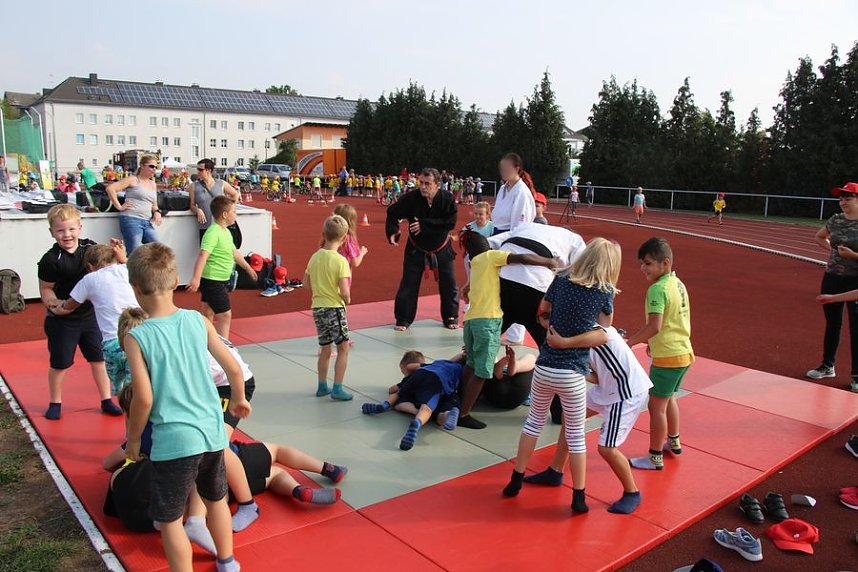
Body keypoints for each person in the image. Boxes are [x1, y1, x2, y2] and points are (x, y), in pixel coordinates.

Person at [123, 242, 251, 572]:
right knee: (216, 500)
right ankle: (227, 562)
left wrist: (133, 441)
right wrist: (239, 399)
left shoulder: (137, 337)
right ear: (176, 279)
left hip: (174, 443)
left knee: (169, 519)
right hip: (212, 433)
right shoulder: (198, 320)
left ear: (136, 288)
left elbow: (143, 398)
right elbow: (234, 368)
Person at [502, 238, 621, 514]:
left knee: (533, 424)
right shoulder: (603, 291)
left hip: (545, 367)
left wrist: (551, 324)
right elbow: (605, 330)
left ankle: (516, 479)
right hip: (573, 372)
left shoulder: (562, 279)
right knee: (576, 435)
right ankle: (578, 496)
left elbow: (542, 309)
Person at [524, 326, 652, 514]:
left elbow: (602, 336)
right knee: (569, 415)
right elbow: (598, 377)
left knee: (607, 448)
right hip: (608, 387)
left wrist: (564, 346)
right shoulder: (577, 333)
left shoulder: (593, 331)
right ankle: (555, 471)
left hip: (626, 392)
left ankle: (632, 492)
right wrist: (576, 368)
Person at [458, 231, 559, 429]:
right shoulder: (490, 257)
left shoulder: (474, 263)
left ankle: (460, 402)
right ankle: (464, 414)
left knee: (470, 364)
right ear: (487, 248)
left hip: (471, 321)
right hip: (488, 321)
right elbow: (523, 258)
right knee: (483, 371)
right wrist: (548, 262)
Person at [38, 205, 121, 420]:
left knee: (99, 359)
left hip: (90, 317)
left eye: (71, 229)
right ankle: (55, 402)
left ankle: (106, 400)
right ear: (52, 232)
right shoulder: (50, 260)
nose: (67, 235)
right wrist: (54, 304)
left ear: (80, 228)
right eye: (60, 230)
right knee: (60, 364)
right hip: (63, 321)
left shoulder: (89, 249)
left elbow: (109, 265)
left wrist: (117, 252)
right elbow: (46, 288)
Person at [626, 237, 693, 471]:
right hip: (683, 352)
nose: (643, 268)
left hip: (668, 358)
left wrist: (630, 343)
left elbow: (654, 325)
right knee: (669, 397)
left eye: (648, 263)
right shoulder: (677, 283)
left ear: (665, 264)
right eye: (642, 263)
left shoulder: (657, 289)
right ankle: (673, 441)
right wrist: (653, 343)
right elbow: (672, 320)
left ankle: (654, 456)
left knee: (656, 407)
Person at [52, 243, 140, 395]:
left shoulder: (89, 279)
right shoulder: (126, 269)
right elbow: (140, 269)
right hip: (138, 338)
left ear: (89, 266)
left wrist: (60, 306)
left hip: (112, 342)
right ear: (115, 259)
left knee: (118, 384)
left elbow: (72, 304)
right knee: (136, 383)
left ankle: (120, 393)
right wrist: (124, 258)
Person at [386, 168, 459, 331]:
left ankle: (450, 316)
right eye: (421, 183)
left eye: (427, 184)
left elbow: (450, 223)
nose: (423, 187)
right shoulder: (411, 198)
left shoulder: (447, 199)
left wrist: (424, 224)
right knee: (408, 284)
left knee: (449, 284)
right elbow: (392, 212)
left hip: (441, 248)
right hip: (416, 248)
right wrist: (393, 231)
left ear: (437, 185)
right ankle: (403, 318)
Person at [809, 182, 858, 392]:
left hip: (855, 279)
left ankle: (856, 375)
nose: (843, 202)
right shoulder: (836, 219)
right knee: (832, 324)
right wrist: (833, 252)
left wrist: (853, 256)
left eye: (848, 198)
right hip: (833, 276)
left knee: (856, 328)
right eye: (841, 198)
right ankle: (827, 365)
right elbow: (819, 236)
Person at [187, 196, 258, 339]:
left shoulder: (225, 232)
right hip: (213, 280)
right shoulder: (213, 233)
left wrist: (248, 268)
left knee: (208, 312)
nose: (236, 215)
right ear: (225, 215)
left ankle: (205, 341)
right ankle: (224, 345)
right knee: (225, 315)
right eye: (234, 212)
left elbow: (234, 252)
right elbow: (203, 255)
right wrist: (196, 279)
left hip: (219, 280)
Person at [361, 351, 463, 450]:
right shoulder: (457, 370)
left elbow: (392, 389)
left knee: (399, 395)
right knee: (427, 407)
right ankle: (418, 422)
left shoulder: (431, 365)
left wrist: (410, 373)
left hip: (422, 376)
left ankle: (385, 405)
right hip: (439, 382)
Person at [304, 215, 353, 401]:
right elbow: (344, 290)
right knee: (343, 348)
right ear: (344, 237)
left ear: (323, 234)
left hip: (318, 308)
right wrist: (347, 299)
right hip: (334, 308)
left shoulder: (315, 257)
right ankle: (337, 388)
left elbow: (306, 283)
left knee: (325, 348)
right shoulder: (341, 261)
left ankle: (322, 385)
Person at [492, 153, 538, 345]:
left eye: (507, 168)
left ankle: (516, 334)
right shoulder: (504, 188)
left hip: (513, 242)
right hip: (498, 236)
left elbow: (519, 228)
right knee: (499, 287)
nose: (503, 172)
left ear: (517, 168)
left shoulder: (522, 193)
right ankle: (504, 328)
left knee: (513, 287)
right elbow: (497, 217)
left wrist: (499, 243)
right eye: (501, 168)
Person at [106, 154, 162, 254]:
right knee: (133, 251)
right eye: (151, 166)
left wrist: (157, 212)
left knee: (158, 249)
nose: (154, 169)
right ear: (142, 166)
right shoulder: (133, 179)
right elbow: (111, 189)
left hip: (147, 221)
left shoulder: (153, 184)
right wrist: (119, 207)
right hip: (131, 219)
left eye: (156, 167)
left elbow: (154, 204)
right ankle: (128, 264)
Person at [189, 159, 241, 245]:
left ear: (209, 170)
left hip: (222, 226)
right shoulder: (194, 186)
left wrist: (230, 208)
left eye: (200, 169)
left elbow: (235, 194)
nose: (198, 172)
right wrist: (198, 210)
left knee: (224, 250)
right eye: (197, 169)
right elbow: (192, 205)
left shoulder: (221, 184)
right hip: (205, 226)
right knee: (206, 250)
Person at [333, 204, 369, 288]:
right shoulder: (349, 239)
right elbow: (355, 263)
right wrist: (362, 252)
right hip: (343, 277)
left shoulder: (330, 236)